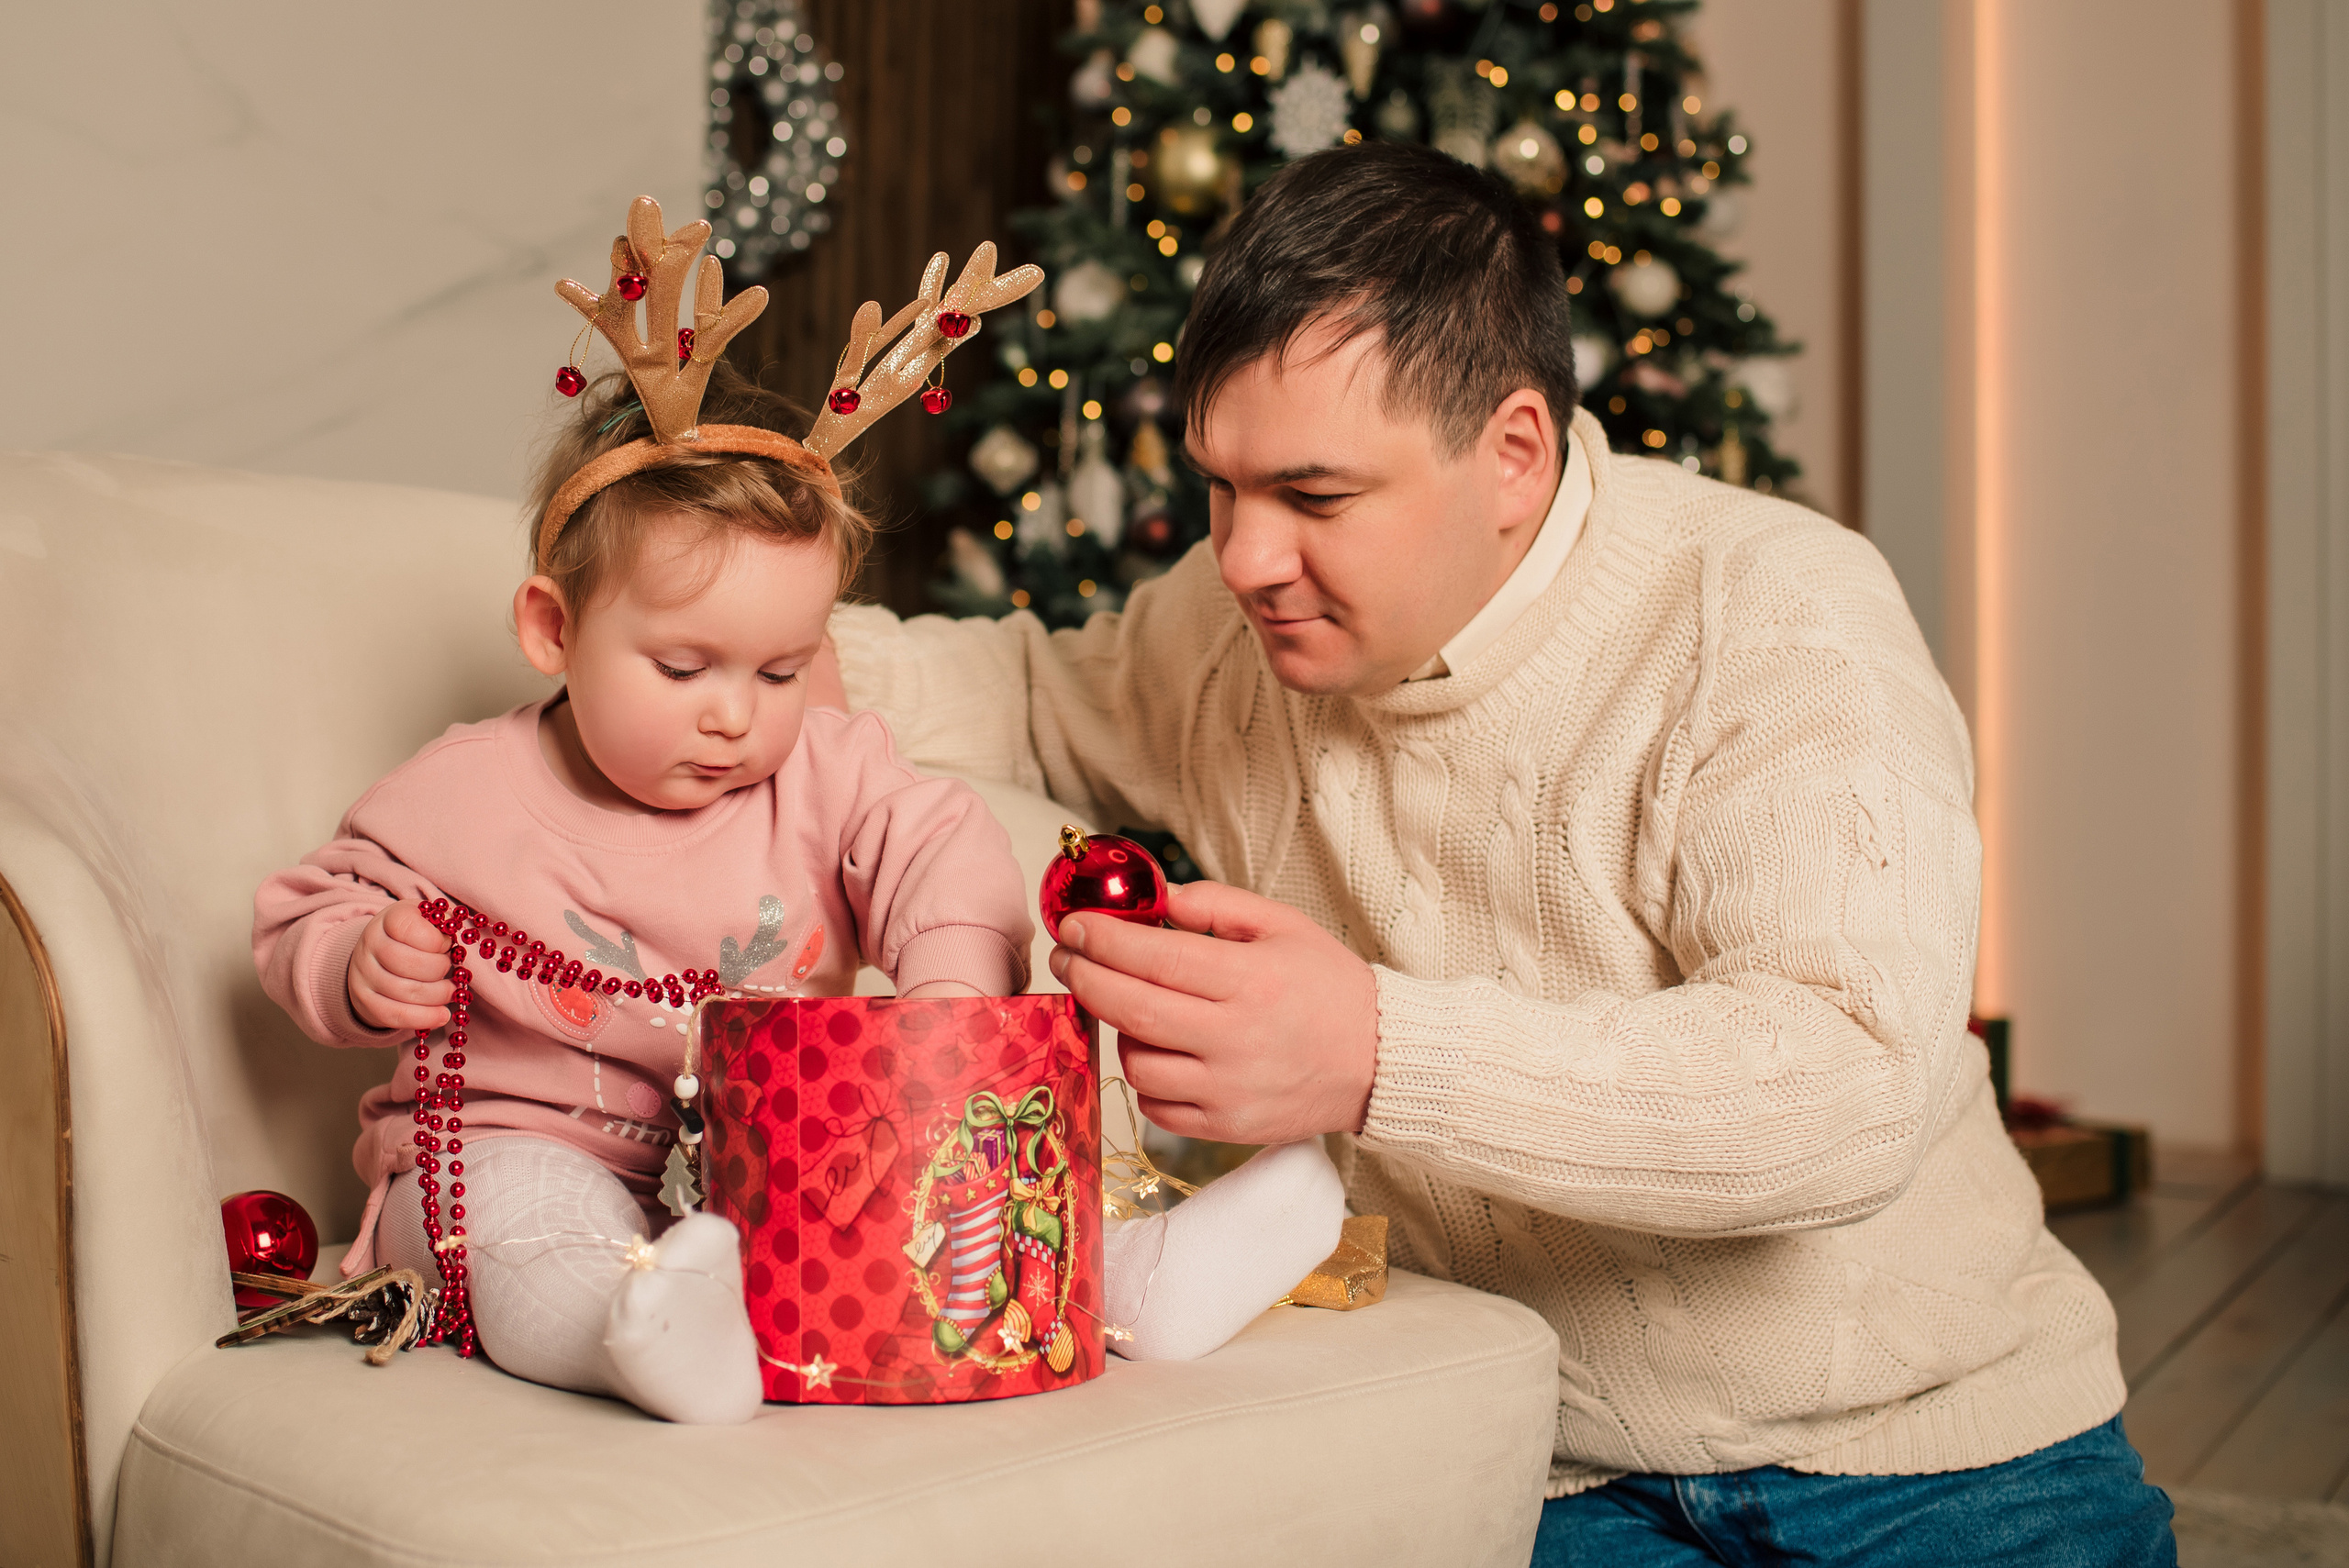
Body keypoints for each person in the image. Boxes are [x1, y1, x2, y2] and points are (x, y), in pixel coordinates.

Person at [815, 143, 2178, 1563]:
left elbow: (1846, 1084)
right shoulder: (1229, 638)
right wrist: (695, 623)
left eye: (1314, 497)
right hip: (1538, 1461)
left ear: (1512, 454)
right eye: (1220, 486)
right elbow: (1029, 691)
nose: (1242, 557)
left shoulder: (1777, 616)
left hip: (1934, 1450)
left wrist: (1377, 1054)